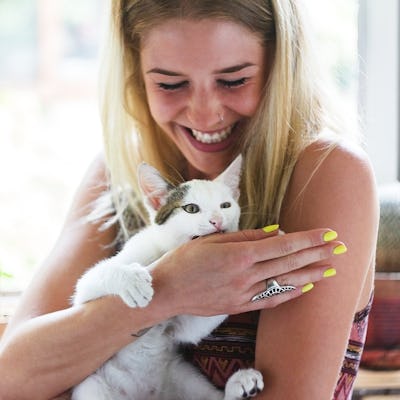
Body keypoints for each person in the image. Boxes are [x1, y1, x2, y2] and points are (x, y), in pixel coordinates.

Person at [0, 1, 379, 399]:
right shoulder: (121, 173)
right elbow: (12, 379)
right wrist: (168, 289)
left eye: (233, 81)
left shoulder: (327, 173)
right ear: (135, 76)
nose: (204, 114)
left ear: (279, 69)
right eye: (170, 84)